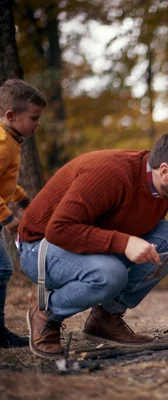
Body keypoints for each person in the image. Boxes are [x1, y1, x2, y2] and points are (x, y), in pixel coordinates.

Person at [18, 129, 168, 359]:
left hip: (84, 245)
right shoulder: (109, 174)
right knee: (111, 274)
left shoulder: (161, 188)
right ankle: (46, 313)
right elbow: (59, 229)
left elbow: (128, 223)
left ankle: (105, 319)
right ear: (165, 171)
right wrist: (124, 243)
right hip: (39, 248)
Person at [0, 79, 46, 348]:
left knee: (2, 270)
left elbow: (4, 181)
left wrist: (25, 200)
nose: (37, 123)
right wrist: (7, 217)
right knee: (3, 269)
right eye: (34, 117)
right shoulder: (4, 143)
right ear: (11, 116)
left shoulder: (11, 140)